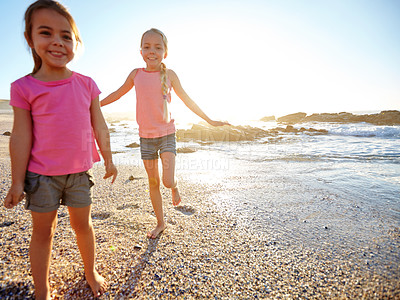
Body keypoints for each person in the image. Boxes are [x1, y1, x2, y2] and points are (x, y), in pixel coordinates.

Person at [3, 1, 117, 299]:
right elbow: (21, 136)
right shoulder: (24, 87)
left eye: (66, 36)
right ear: (30, 39)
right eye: (46, 32)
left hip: (79, 173)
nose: (57, 41)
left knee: (83, 226)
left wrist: (109, 158)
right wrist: (17, 181)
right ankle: (42, 289)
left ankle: (90, 271)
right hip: (41, 176)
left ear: (75, 42)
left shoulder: (86, 84)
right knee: (43, 233)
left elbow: (100, 126)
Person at [101, 28, 229, 239]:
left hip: (167, 135)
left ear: (165, 52)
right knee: (153, 183)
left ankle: (175, 186)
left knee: (167, 181)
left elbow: (188, 100)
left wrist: (209, 120)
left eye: (157, 47)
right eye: (147, 47)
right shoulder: (135, 74)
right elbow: (117, 93)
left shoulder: (169, 75)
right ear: (141, 51)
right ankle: (160, 223)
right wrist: (95, 103)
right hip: (146, 138)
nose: (152, 51)